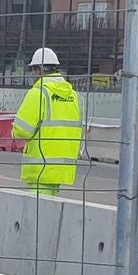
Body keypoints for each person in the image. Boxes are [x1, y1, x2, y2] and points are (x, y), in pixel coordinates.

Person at [10, 47, 82, 196]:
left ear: (37, 70)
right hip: (62, 168)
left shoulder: (38, 93)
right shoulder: (74, 96)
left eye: (32, 71)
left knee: (38, 214)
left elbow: (22, 130)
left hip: (40, 167)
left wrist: (14, 132)